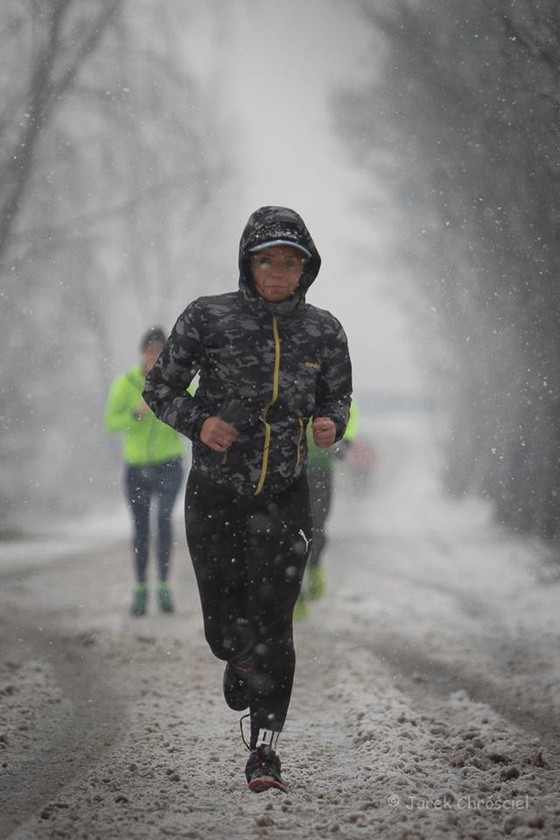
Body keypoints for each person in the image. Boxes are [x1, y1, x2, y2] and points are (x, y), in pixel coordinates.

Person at [143, 206, 352, 793]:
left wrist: (332, 424)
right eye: (269, 261)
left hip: (286, 495)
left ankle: (265, 753)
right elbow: (159, 389)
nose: (280, 272)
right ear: (249, 263)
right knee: (227, 631)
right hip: (216, 494)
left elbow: (338, 397)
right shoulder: (207, 318)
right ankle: (234, 657)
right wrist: (200, 422)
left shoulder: (324, 330)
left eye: (291, 262)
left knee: (275, 625)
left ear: (305, 268)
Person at [104, 327, 184, 616]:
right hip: (137, 466)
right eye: (150, 351)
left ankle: (163, 585)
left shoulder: (176, 382)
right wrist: (135, 413)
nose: (155, 357)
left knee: (163, 520)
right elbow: (110, 423)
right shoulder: (125, 383)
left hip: (169, 463)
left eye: (160, 352)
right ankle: (140, 588)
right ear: (142, 353)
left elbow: (194, 412)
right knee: (140, 528)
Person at [293, 400, 359, 622]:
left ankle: (314, 565)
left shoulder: (324, 375)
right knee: (291, 532)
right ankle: (294, 594)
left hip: (320, 468)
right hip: (287, 469)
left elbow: (349, 410)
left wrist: (345, 441)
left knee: (316, 528)